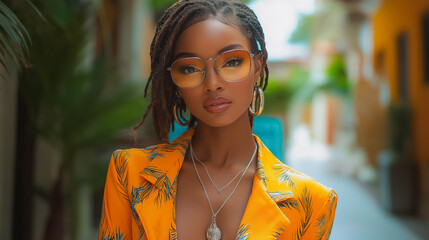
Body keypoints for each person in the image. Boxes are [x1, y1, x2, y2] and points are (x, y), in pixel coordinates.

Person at [98, 0, 338, 239]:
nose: (212, 84)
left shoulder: (311, 201)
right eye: (190, 68)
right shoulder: (129, 174)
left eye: (232, 62)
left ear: (257, 66)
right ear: (175, 82)